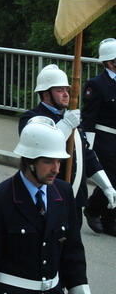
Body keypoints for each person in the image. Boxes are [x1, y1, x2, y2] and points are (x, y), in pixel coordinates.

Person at [0, 118, 99, 294]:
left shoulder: (64, 193)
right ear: (29, 160)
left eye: (59, 161)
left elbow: (73, 257)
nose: (56, 169)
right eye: (48, 161)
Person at [18, 65, 114, 223]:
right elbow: (43, 144)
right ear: (45, 93)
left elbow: (87, 156)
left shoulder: (71, 119)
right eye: (59, 90)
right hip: (48, 195)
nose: (66, 95)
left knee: (73, 247)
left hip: (74, 198)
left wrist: (106, 186)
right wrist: (66, 125)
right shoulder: (32, 118)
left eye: (67, 90)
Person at [83, 38, 116, 235]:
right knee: (111, 179)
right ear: (110, 62)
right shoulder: (96, 84)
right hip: (105, 138)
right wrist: (89, 147)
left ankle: (111, 219)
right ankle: (93, 209)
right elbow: (89, 117)